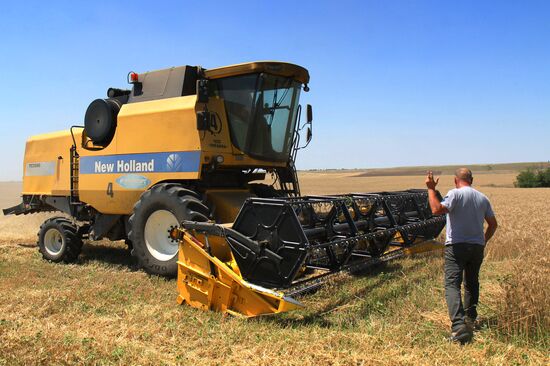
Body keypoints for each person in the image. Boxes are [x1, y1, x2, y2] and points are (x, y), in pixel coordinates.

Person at [425, 168, 498, 344]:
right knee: (472, 283)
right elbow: (493, 225)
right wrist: (483, 240)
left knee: (452, 284)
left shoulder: (455, 194)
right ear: (472, 179)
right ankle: (470, 320)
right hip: (477, 247)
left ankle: (459, 328)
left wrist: (430, 188)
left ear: (456, 180)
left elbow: (436, 209)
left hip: (456, 246)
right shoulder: (483, 198)